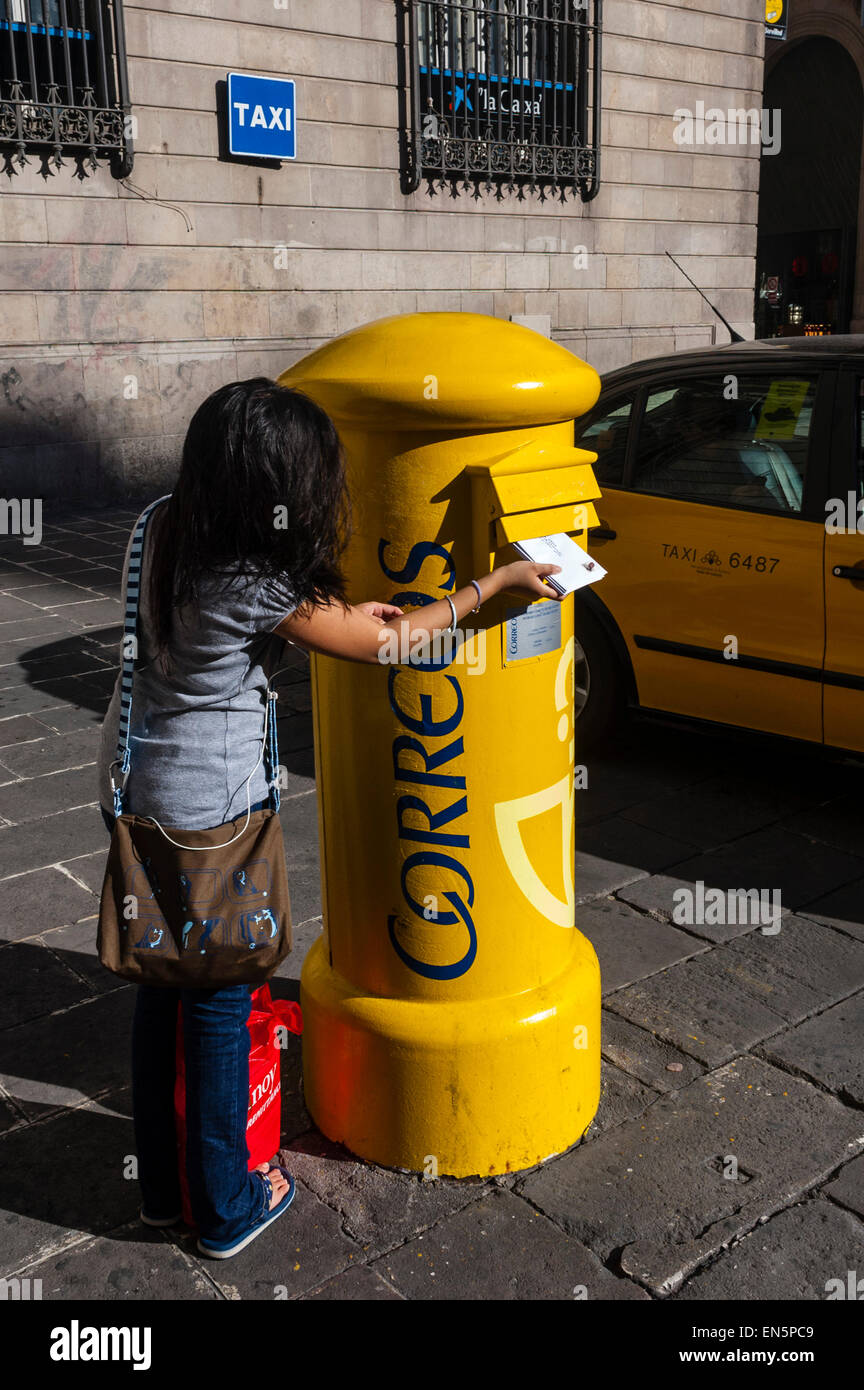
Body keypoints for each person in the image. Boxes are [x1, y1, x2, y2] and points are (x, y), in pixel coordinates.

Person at [97, 377, 562, 1259]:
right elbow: (394, 645)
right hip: (214, 820)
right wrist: (490, 583)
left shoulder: (160, 522)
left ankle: (163, 1191)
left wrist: (339, 614)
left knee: (162, 994)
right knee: (223, 1004)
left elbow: (317, 622)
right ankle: (229, 1206)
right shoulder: (251, 579)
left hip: (140, 793)